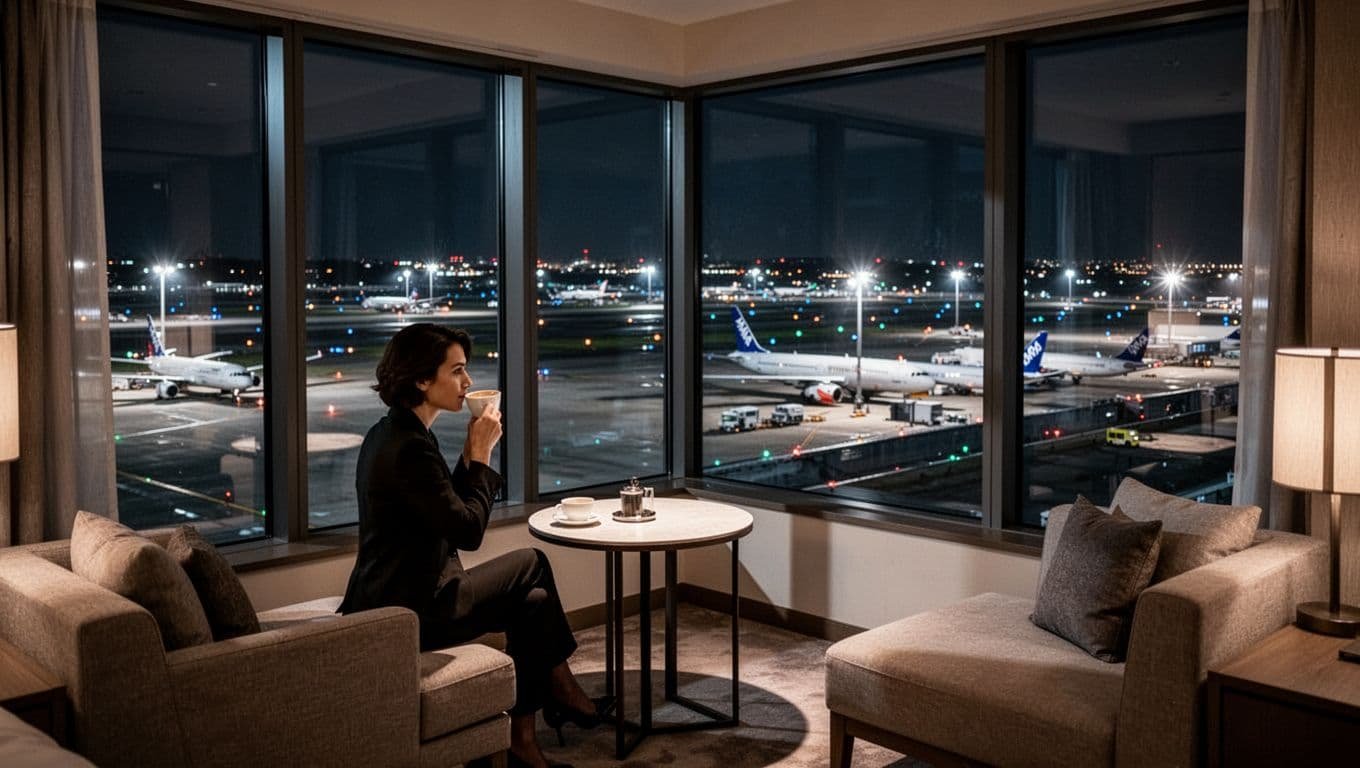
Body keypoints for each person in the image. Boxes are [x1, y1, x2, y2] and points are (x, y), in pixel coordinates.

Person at [339, 323, 599, 768]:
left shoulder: (393, 434)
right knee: (533, 561)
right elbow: (468, 532)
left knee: (533, 602)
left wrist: (464, 461)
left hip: (400, 595)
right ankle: (560, 691)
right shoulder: (409, 449)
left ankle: (524, 737)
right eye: (457, 371)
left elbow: (443, 513)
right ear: (422, 378)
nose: (468, 383)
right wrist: (480, 459)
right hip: (413, 610)